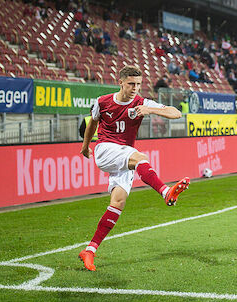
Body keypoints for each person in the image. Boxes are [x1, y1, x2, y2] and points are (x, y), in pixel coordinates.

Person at [78, 65, 190, 271]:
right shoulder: (102, 102)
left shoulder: (142, 102)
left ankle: (90, 250)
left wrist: (151, 109)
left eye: (138, 84)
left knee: (117, 203)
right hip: (105, 149)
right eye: (131, 84)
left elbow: (176, 113)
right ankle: (165, 192)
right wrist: (86, 147)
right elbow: (92, 125)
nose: (135, 88)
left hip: (124, 155)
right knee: (140, 158)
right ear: (120, 82)